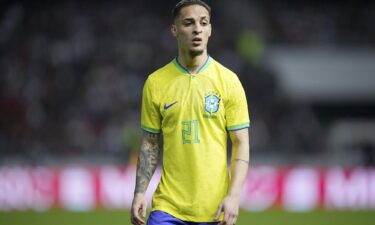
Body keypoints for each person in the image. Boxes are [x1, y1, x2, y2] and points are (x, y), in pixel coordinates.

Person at [131, 1, 250, 225]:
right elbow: (150, 143)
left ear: (210, 30)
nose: (197, 29)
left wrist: (233, 197)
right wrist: (140, 192)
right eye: (189, 23)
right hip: (167, 208)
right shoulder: (155, 83)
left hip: (215, 211)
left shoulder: (229, 81)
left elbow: (241, 143)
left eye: (203, 23)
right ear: (174, 30)